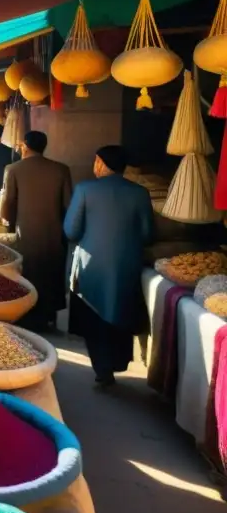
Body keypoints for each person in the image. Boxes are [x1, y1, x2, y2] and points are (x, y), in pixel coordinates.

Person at [64, 145, 154, 387]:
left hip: (91, 267)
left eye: (96, 161)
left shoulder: (84, 190)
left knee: (93, 316)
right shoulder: (140, 193)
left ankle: (102, 369)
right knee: (120, 310)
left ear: (102, 164)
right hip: (127, 265)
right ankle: (117, 361)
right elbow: (148, 234)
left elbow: (71, 230)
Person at [0, 131, 73, 331]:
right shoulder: (61, 169)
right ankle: (49, 315)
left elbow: (7, 204)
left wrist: (10, 224)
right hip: (54, 231)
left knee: (28, 272)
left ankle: (28, 314)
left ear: (24, 145)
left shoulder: (13, 169)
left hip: (26, 231)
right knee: (51, 271)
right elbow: (68, 204)